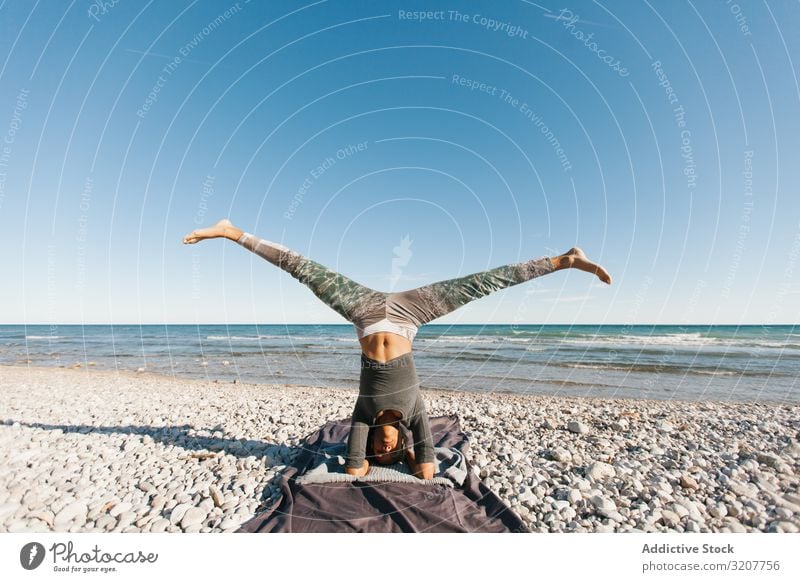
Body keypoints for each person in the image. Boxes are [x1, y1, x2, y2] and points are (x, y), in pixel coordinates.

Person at [183, 219, 612, 480]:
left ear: (373, 443)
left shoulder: (363, 416)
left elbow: (355, 467)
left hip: (365, 312)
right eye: (392, 450)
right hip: (410, 313)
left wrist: (365, 463)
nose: (385, 449)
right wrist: (413, 459)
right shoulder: (414, 415)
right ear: (401, 443)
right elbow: (426, 468)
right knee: (485, 282)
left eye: (380, 451)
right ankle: (565, 260)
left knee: (302, 269)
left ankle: (230, 233)